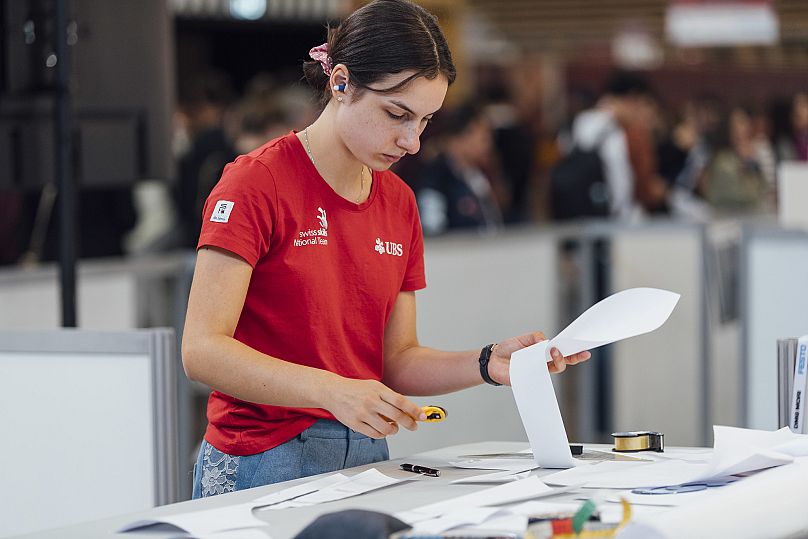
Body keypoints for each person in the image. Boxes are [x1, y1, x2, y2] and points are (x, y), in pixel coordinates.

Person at [181, 0, 590, 499]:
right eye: (397, 114)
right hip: (261, 459)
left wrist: (486, 362)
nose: (412, 141)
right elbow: (201, 350)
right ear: (341, 83)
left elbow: (396, 360)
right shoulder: (255, 183)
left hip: (367, 458)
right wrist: (332, 390)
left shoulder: (397, 201)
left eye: (425, 121)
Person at [416, 102, 504, 235]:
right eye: (483, 138)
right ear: (458, 138)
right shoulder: (436, 180)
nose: (489, 144)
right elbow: (432, 232)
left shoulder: (477, 175)